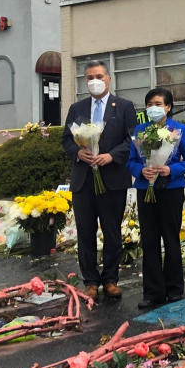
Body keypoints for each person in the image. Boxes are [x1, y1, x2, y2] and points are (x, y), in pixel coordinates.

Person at [61, 60, 136, 301]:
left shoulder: (124, 106)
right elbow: (66, 140)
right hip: (83, 180)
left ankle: (111, 279)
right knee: (85, 232)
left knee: (112, 231)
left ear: (109, 78)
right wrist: (78, 152)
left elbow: (131, 139)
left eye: (100, 76)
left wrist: (111, 156)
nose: (95, 80)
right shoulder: (77, 108)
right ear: (85, 80)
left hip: (112, 179)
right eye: (90, 76)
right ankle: (90, 281)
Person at [127, 88, 185, 309]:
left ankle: (174, 289)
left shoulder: (179, 129)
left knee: (170, 239)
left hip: (171, 190)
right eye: (149, 104)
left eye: (158, 103)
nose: (153, 108)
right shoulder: (140, 130)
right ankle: (152, 292)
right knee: (149, 241)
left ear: (168, 107)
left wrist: (171, 169)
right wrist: (140, 171)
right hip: (145, 190)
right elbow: (131, 160)